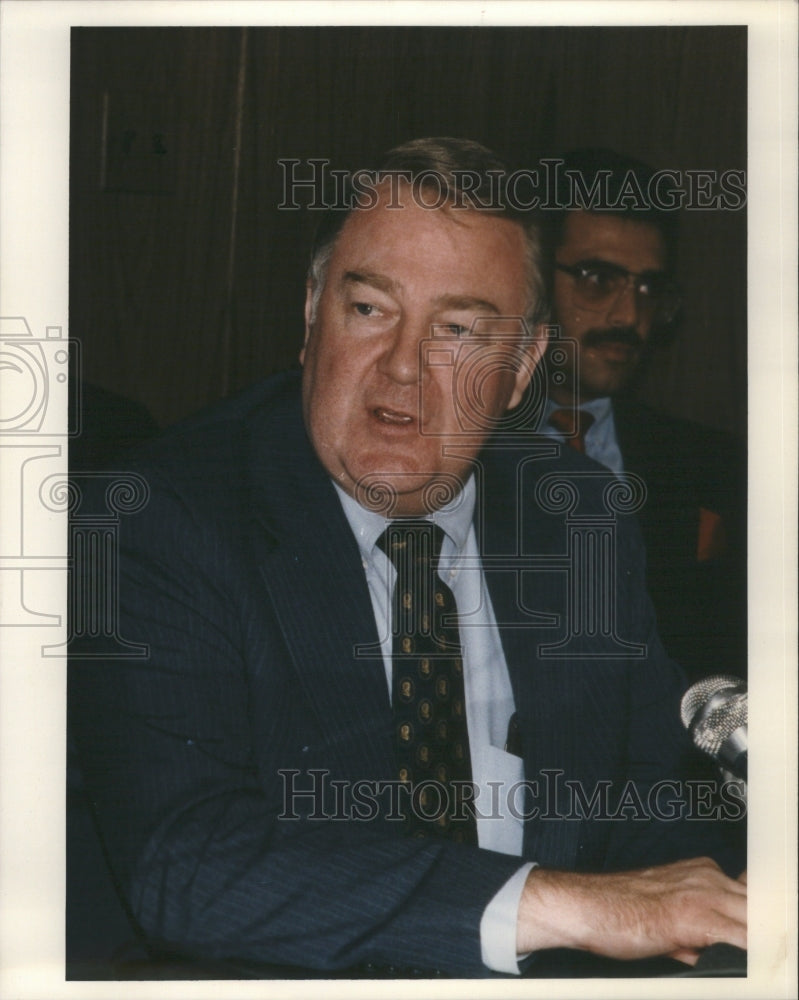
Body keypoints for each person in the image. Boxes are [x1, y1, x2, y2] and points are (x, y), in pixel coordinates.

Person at [69, 138, 746, 979]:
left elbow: (648, 809)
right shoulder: (160, 516)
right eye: (369, 309)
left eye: (457, 329)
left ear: (521, 367)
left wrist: (709, 908)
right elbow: (189, 866)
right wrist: (557, 902)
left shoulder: (576, 516)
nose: (402, 367)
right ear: (312, 309)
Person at [534, 148, 746, 682]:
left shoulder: (715, 466)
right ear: (534, 281)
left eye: (649, 288)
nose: (630, 316)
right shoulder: (455, 449)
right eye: (597, 279)